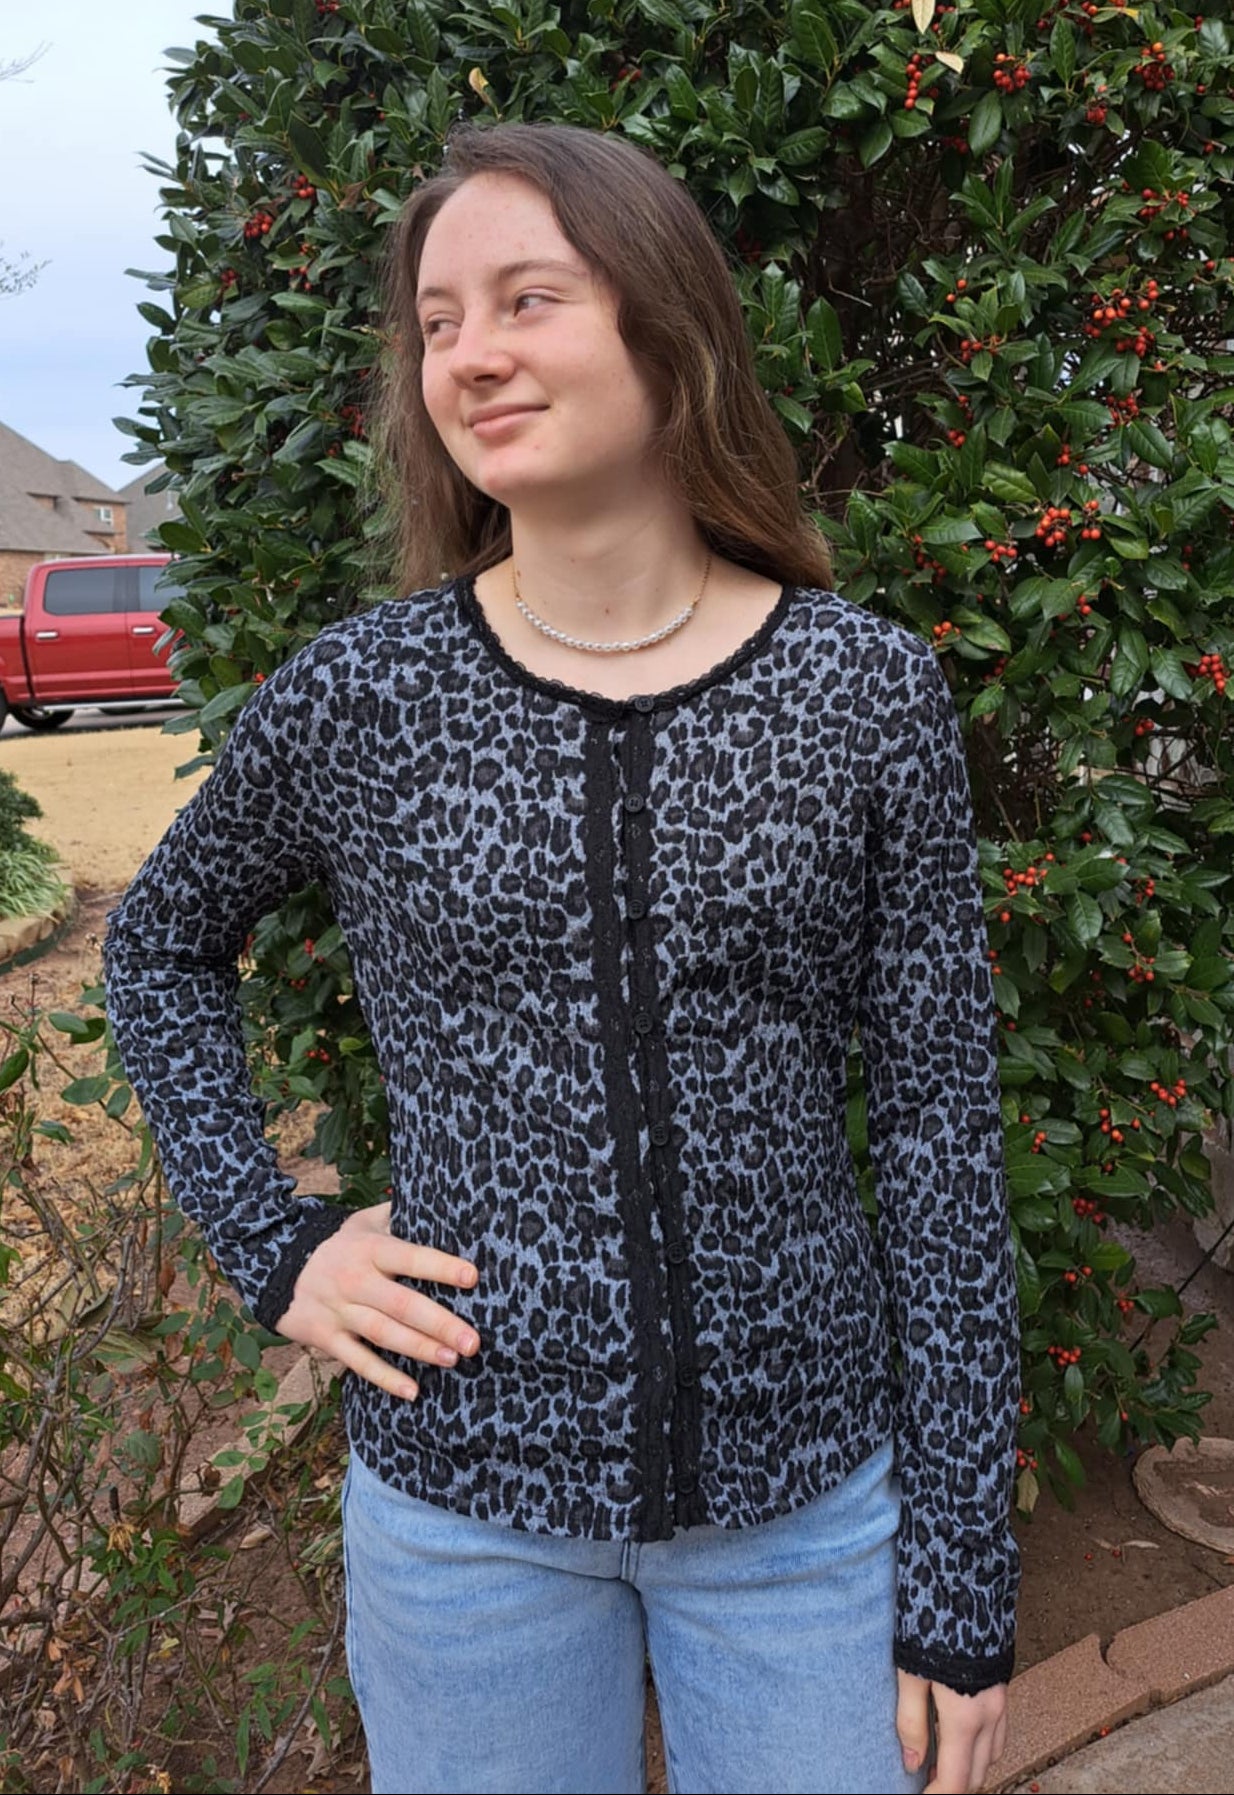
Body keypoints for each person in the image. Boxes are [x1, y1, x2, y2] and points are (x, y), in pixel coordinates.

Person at [102, 120, 1021, 1795]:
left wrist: (960, 1585)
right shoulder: (362, 699)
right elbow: (158, 948)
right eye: (438, 320)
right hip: (464, 1534)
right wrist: (277, 1246)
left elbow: (944, 1145)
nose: (471, 354)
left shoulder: (859, 695)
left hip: (805, 1528)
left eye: (528, 298)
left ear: (666, 332)